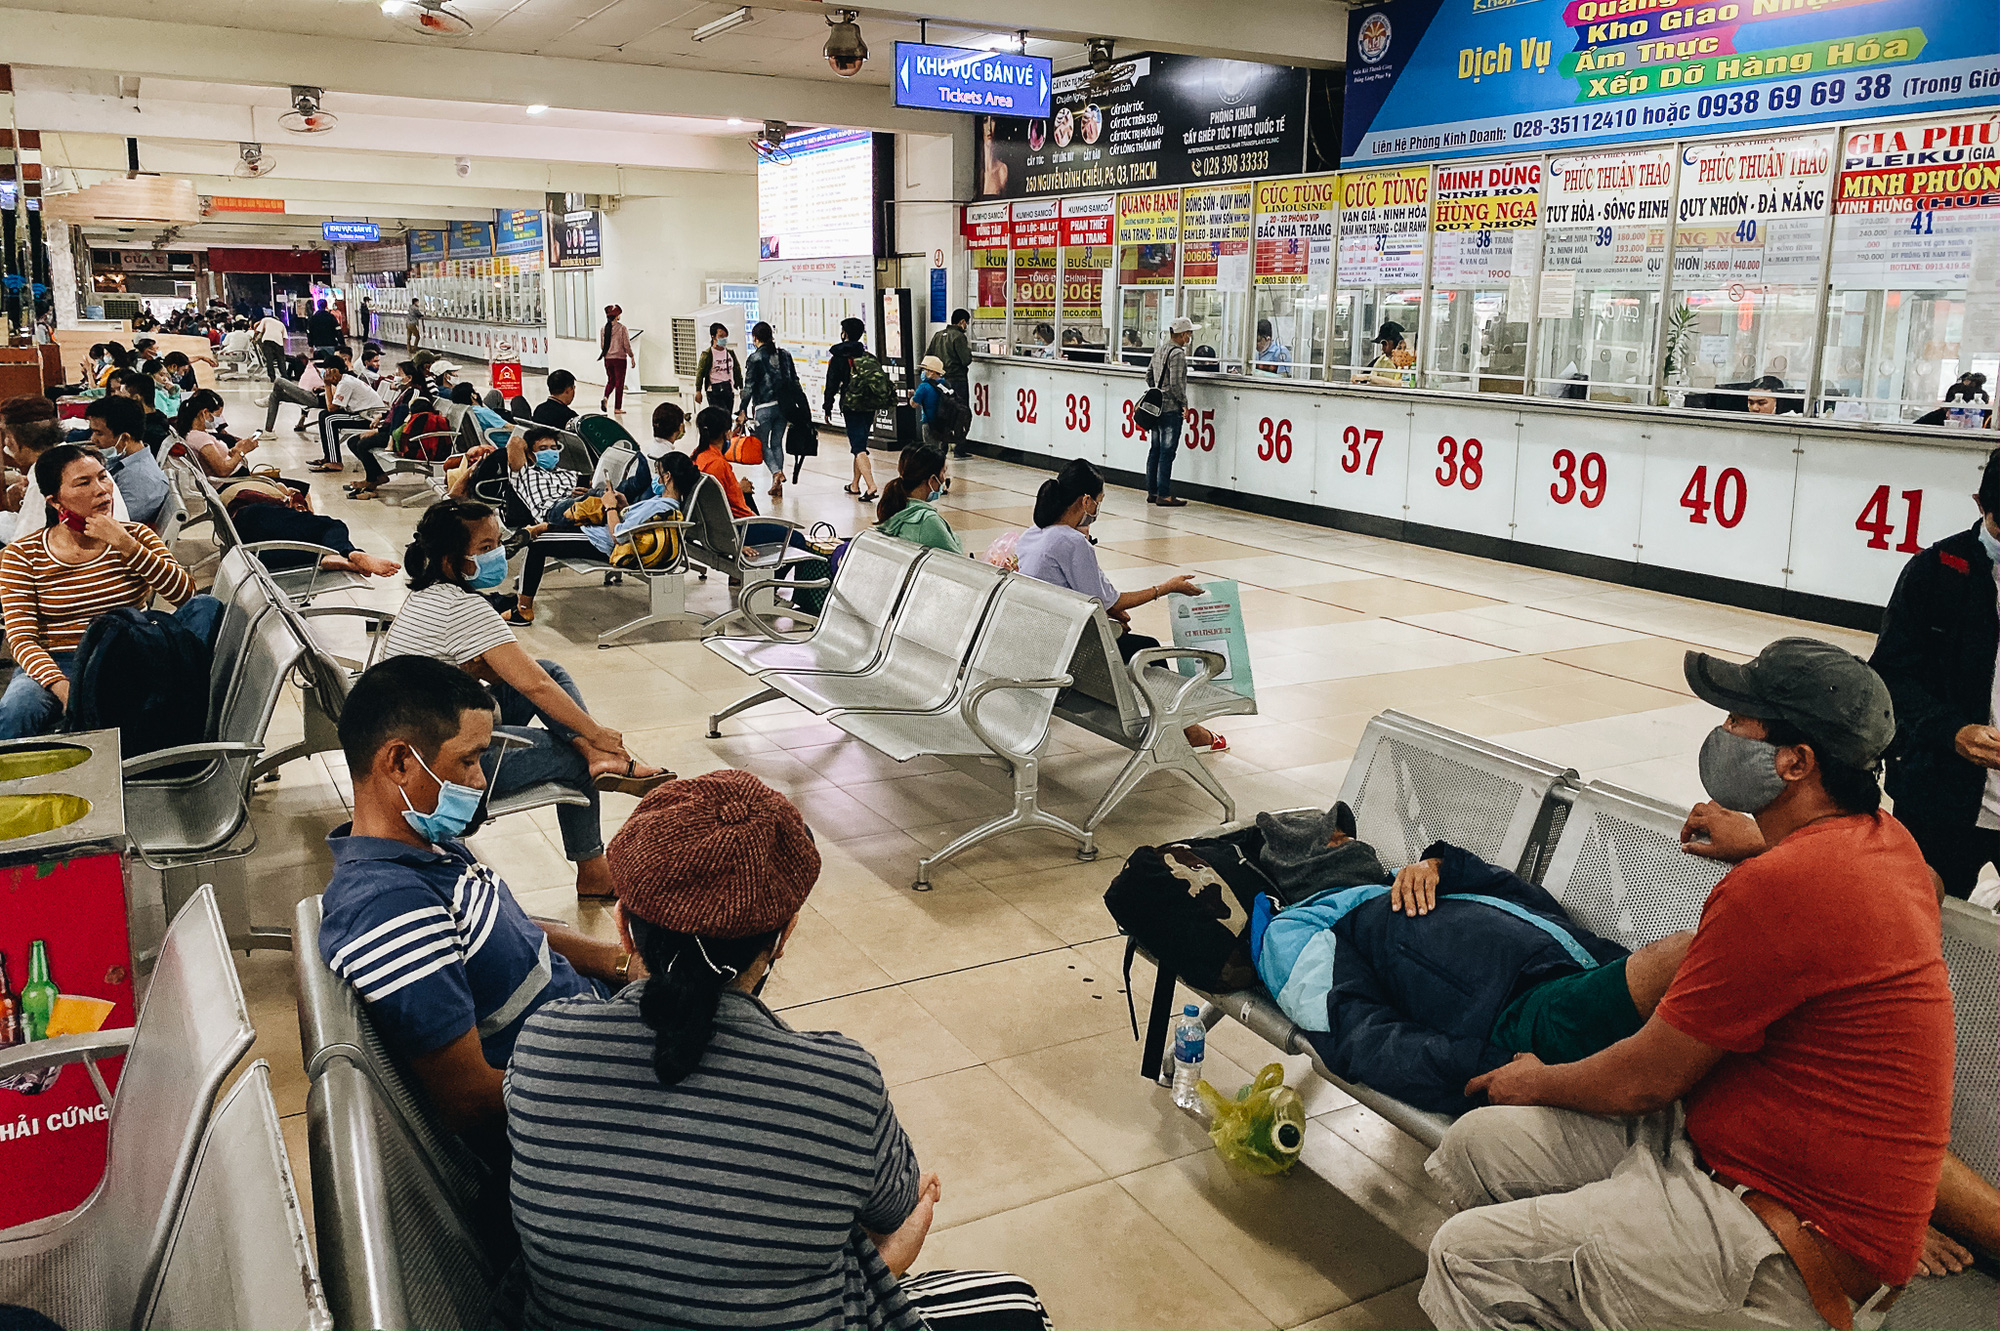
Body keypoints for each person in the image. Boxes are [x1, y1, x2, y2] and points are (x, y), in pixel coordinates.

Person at [1420, 638, 1953, 1331]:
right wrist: (1769, 840)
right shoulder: (1888, 842)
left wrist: (1532, 1078)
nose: (1723, 732)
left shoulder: (1778, 889)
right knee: (1475, 1147)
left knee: (1467, 1257)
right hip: (1719, 1159)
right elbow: (1915, 887)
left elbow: (1642, 1082)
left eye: (1742, 720)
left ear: (1796, 762)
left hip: (1781, 1245)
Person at [504, 770, 1055, 1331]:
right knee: (1015, 1302)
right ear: (783, 937)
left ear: (622, 927)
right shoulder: (840, 1083)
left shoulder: (545, 1041)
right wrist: (886, 1262)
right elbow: (894, 1209)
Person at [318, 654, 636, 1144]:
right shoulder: (389, 909)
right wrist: (620, 1081)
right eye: (467, 760)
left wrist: (623, 965)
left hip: (595, 1028)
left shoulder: (424, 843)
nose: (480, 780)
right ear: (400, 761)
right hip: (585, 1107)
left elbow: (514, 929)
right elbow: (473, 1103)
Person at [380, 500, 674, 900]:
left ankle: (595, 756)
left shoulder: (426, 596)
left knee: (549, 669)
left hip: (418, 740)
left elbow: (520, 675)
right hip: (440, 773)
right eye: (485, 548)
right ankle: (593, 864)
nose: (498, 554)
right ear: (453, 560)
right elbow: (532, 686)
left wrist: (480, 668)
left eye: (497, 543)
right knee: (566, 748)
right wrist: (598, 732)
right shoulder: (465, 609)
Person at [1017, 459, 1226, 753]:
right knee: (1148, 649)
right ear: (1086, 500)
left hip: (1042, 639)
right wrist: (1166, 588)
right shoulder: (1071, 542)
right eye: (1098, 502)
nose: (1097, 511)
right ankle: (1184, 731)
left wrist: (1110, 610)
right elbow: (1110, 600)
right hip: (1070, 653)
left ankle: (1184, 729)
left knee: (1128, 639)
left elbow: (1094, 597)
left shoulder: (1034, 534)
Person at [0, 445, 201, 738]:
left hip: (128, 652)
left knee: (205, 606)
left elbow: (184, 596)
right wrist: (62, 687)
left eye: (103, 477)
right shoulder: (23, 555)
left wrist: (127, 546)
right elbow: (21, 639)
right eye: (84, 482)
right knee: (17, 708)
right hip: (58, 660)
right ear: (56, 502)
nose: (102, 490)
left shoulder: (135, 536)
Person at [1871, 447, 2000, 900]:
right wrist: (1952, 731)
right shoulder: (1936, 572)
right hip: (1940, 798)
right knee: (1914, 916)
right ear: (1979, 504)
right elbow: (1889, 676)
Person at [86, 396, 169, 528]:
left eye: (99, 433)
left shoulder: (141, 480)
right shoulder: (124, 463)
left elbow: (114, 525)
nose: (93, 439)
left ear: (125, 438)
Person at [823, 316, 879, 503]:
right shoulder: (868, 356)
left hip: (851, 405)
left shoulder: (839, 358)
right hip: (869, 405)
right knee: (860, 443)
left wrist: (827, 406)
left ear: (844, 334)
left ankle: (871, 486)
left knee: (858, 447)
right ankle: (855, 484)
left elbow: (831, 384)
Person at [736, 321, 793, 500]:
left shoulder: (755, 358)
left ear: (755, 338)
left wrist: (742, 409)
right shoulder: (785, 355)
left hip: (763, 407)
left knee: (762, 444)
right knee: (777, 443)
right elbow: (794, 381)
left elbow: (749, 387)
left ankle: (776, 473)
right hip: (784, 407)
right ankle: (777, 485)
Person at [1146, 317, 1194, 506]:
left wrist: (1157, 393)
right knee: (1167, 452)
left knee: (1155, 450)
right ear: (1182, 334)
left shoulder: (1160, 350)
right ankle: (1164, 494)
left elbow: (1148, 375)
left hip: (1156, 409)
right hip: (1170, 409)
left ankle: (1152, 491)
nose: (1190, 336)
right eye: (1189, 333)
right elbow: (1175, 384)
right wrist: (1184, 403)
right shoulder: (1178, 355)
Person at [876, 446, 960, 554]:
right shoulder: (927, 521)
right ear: (932, 479)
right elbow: (956, 561)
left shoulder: (893, 507)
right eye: (943, 472)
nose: (945, 478)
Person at [314, 358, 387, 474]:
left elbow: (332, 408)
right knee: (323, 415)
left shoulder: (345, 383)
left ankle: (335, 461)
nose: (324, 373)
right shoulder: (344, 380)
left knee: (329, 419)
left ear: (334, 371)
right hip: (362, 412)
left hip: (368, 417)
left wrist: (327, 385)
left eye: (326, 370)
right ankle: (328, 456)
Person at [690, 406, 754, 524]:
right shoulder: (718, 464)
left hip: (711, 526)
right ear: (727, 434)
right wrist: (740, 489)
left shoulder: (697, 455)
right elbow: (732, 506)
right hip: (738, 525)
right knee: (795, 538)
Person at [924, 309, 974, 456]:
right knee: (960, 413)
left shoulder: (938, 335)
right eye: (967, 323)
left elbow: (928, 357)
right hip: (957, 380)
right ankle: (959, 448)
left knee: (944, 413)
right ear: (962, 322)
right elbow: (966, 360)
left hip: (940, 381)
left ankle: (942, 446)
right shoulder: (958, 337)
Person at [694, 322, 740, 414]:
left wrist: (740, 386)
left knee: (728, 415)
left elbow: (737, 370)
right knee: (719, 416)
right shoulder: (707, 355)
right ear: (713, 337)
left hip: (728, 389)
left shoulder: (730, 353)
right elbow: (700, 373)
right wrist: (698, 390)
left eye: (725, 336)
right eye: (721, 336)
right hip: (714, 390)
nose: (724, 339)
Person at [598, 304, 632, 414]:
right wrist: (631, 355)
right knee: (619, 383)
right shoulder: (622, 328)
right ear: (617, 316)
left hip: (608, 359)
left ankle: (606, 397)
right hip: (620, 359)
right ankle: (617, 407)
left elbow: (602, 346)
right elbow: (626, 344)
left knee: (611, 381)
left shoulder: (604, 329)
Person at [1368, 322, 1415, 387]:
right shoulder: (1381, 361)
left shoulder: (1412, 364)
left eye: (1403, 348)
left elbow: (1404, 383)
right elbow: (1370, 381)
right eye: (1400, 348)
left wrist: (1368, 377)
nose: (1383, 349)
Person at [252, 311, 289, 379]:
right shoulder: (281, 324)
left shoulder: (266, 319)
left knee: (269, 359)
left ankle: (272, 376)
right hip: (279, 342)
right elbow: (285, 337)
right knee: (281, 360)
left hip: (267, 340)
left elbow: (258, 330)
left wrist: (253, 339)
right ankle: (284, 375)